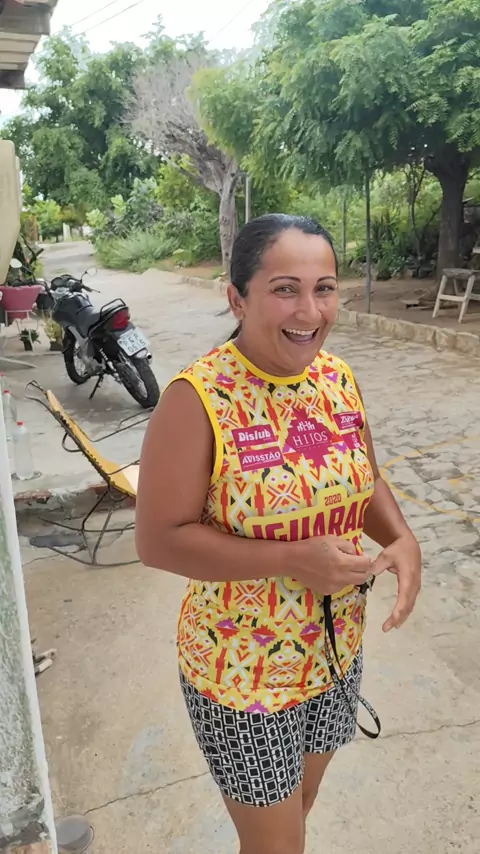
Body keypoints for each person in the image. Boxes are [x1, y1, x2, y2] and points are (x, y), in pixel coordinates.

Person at [135, 214, 421, 854]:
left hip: (335, 654)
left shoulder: (336, 378)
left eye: (325, 288)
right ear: (237, 298)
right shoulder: (196, 399)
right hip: (240, 672)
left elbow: (365, 476)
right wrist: (292, 558)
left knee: (301, 808)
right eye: (285, 289)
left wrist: (403, 538)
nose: (310, 311)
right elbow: (158, 540)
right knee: (275, 846)